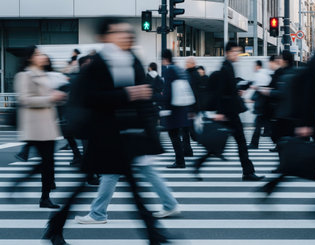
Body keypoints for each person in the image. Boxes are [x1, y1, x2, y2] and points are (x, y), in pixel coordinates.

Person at [42, 18, 167, 245]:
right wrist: (127, 94)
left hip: (127, 135)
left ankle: (154, 235)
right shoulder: (98, 64)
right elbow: (89, 98)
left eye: (126, 31)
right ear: (105, 37)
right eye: (117, 32)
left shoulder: (132, 60)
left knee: (132, 188)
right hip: (103, 135)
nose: (125, 35)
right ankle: (55, 226)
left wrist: (150, 131)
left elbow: (143, 96)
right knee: (85, 187)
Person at [194, 41, 265, 181]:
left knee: (228, 143)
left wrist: (238, 90)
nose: (237, 54)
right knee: (231, 143)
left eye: (238, 51)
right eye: (235, 51)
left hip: (230, 112)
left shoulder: (229, 67)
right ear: (228, 53)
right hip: (228, 113)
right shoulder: (225, 68)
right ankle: (248, 172)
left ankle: (247, 172)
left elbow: (228, 89)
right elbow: (220, 92)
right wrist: (220, 113)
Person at [14, 46, 67, 209]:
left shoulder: (44, 75)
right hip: (35, 127)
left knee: (48, 162)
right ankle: (43, 197)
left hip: (48, 126)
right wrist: (50, 98)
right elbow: (24, 99)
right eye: (37, 54)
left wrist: (58, 97)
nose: (42, 56)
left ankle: (43, 195)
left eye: (41, 53)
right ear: (30, 58)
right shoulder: (24, 75)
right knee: (47, 162)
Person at [161, 50, 193, 168]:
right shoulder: (179, 69)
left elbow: (168, 92)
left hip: (173, 109)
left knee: (173, 135)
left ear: (165, 59)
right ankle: (181, 159)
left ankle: (180, 161)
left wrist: (164, 104)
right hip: (182, 107)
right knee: (177, 135)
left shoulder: (169, 70)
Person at [248, 60, 272, 149]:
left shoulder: (259, 75)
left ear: (258, 66)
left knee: (258, 125)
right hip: (266, 104)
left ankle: (254, 144)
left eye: (254, 66)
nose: (254, 68)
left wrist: (253, 89)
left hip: (261, 104)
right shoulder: (266, 74)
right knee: (265, 123)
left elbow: (258, 89)